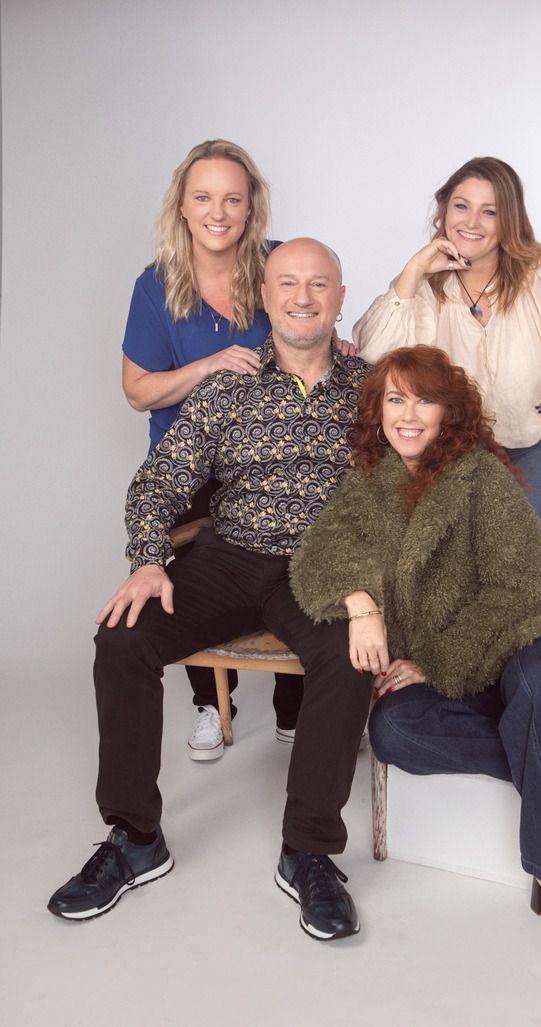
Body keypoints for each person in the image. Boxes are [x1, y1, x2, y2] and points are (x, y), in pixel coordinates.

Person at [48, 239, 371, 941]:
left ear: (341, 298)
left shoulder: (373, 390)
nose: (303, 297)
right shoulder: (228, 385)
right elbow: (160, 481)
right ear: (266, 297)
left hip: (321, 567)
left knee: (350, 654)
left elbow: (414, 483)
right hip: (229, 556)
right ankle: (136, 838)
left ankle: (309, 850)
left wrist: (372, 591)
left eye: (319, 284)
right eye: (288, 283)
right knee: (123, 636)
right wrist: (148, 559)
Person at [290, 345, 541, 970]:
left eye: (424, 400)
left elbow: (518, 587)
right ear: (377, 410)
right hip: (454, 674)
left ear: (448, 412)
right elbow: (315, 558)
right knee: (394, 730)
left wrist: (433, 662)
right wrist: (359, 601)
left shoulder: (482, 475)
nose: (408, 416)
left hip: (523, 636)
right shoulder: (367, 482)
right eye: (395, 400)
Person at [353, 157, 541, 532]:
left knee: (510, 548)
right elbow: (374, 352)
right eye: (461, 206)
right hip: (461, 444)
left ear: (508, 220)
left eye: (490, 212)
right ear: (445, 209)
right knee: (460, 552)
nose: (471, 222)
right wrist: (413, 270)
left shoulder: (540, 276)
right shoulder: (426, 285)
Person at [121, 139, 304, 758]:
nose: (217, 212)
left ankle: (294, 704)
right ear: (182, 205)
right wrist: (208, 366)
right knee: (184, 562)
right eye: (203, 197)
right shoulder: (156, 285)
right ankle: (210, 702)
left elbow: (313, 338)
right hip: (190, 461)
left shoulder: (279, 262)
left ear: (251, 207)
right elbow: (138, 391)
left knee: (305, 535)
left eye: (232, 198)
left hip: (270, 456)